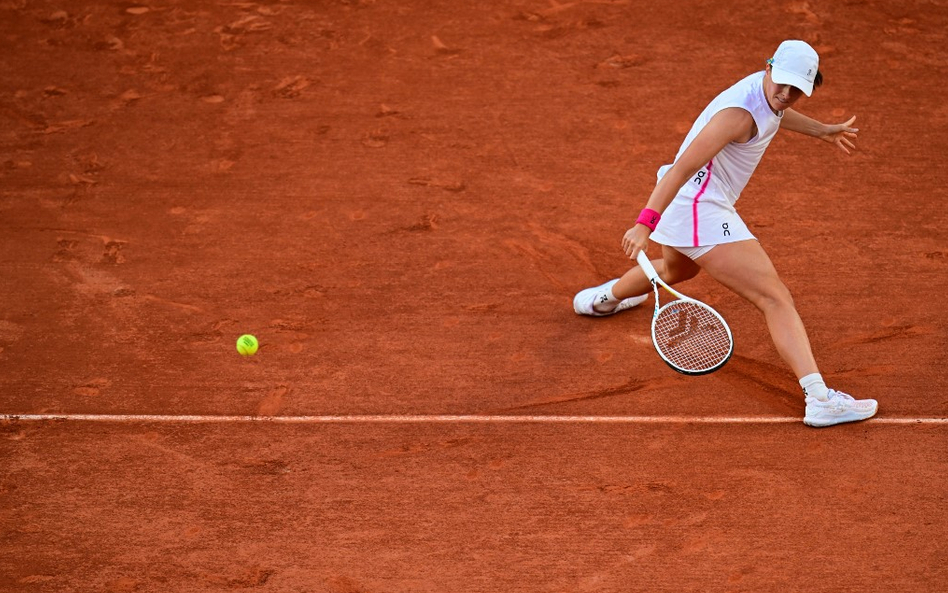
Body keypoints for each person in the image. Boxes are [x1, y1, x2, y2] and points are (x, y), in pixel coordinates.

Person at [573, 40, 877, 428]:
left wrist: (820, 131)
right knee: (775, 298)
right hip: (698, 209)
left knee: (677, 270)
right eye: (781, 83)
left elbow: (777, 115)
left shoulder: (767, 94)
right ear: (768, 67)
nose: (786, 94)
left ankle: (603, 299)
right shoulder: (736, 115)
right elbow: (682, 167)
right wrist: (643, 224)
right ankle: (819, 399)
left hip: (685, 206)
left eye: (797, 89)